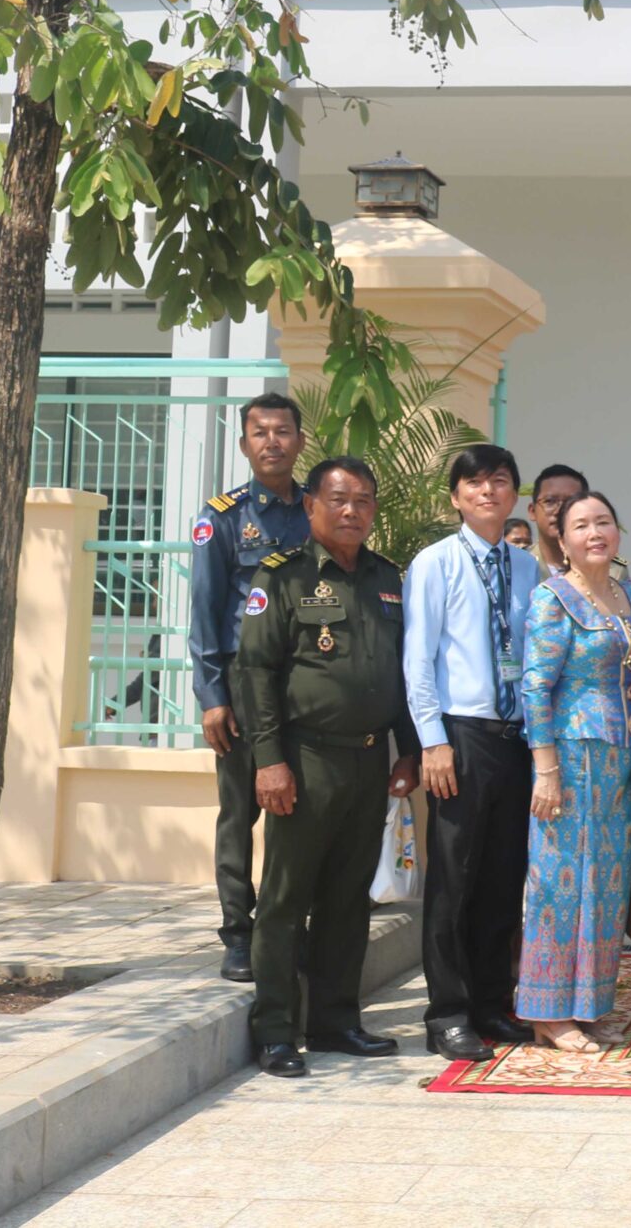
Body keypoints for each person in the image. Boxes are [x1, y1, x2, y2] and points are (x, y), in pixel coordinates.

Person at [234, 457, 420, 1078]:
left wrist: (407, 752)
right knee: (287, 898)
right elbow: (254, 674)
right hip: (304, 761)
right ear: (311, 504)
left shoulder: (387, 579)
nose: (351, 511)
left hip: (370, 760)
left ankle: (336, 1020)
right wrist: (269, 762)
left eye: (363, 500)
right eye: (338, 499)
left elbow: (401, 674)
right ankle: (277, 1030)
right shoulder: (281, 577)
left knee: (347, 898)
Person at [403, 443, 543, 1061]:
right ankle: (447, 1012)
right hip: (459, 737)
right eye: (476, 483)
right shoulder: (435, 562)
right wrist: (431, 740)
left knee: (501, 878)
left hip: (515, 740)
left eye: (500, 481)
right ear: (457, 496)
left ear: (515, 494)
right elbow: (419, 659)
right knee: (453, 881)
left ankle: (492, 1001)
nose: (489, 491)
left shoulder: (527, 567)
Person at [517, 490, 631, 1051]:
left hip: (620, 757)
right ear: (564, 540)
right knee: (558, 884)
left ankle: (590, 1002)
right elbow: (534, 686)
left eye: (604, 522)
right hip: (569, 757)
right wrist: (545, 769)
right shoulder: (552, 598)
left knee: (607, 883)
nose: (595, 532)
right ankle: (548, 1012)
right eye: (581, 525)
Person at [186, 392, 310, 982]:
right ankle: (238, 933)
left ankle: (287, 927)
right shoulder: (224, 517)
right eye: (259, 432)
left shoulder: (316, 509)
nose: (271, 442)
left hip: (306, 678)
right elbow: (205, 612)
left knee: (301, 810)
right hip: (240, 683)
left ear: (299, 442)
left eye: (282, 431)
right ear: (244, 444)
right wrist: (212, 697)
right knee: (239, 814)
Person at [527, 463, 589, 574]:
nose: (559, 511)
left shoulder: (610, 569)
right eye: (550, 501)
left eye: (570, 502)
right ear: (532, 511)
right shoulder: (516, 566)